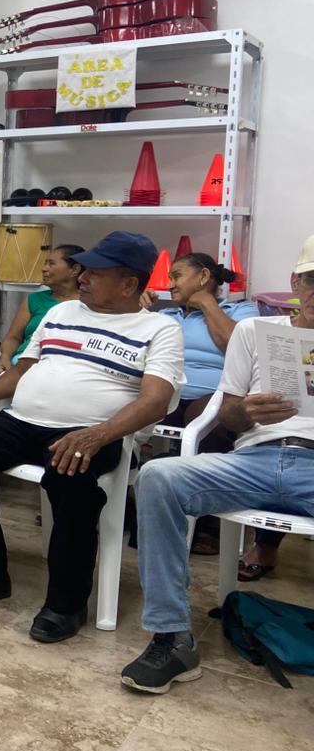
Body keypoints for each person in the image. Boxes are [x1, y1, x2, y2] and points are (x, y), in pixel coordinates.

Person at [0, 231, 184, 643]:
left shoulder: (159, 329)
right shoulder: (61, 313)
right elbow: (24, 368)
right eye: (83, 269)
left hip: (95, 431)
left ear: (129, 283)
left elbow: (156, 400)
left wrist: (98, 434)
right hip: (24, 421)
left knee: (70, 475)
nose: (82, 277)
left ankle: (65, 604)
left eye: (95, 272)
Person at [121, 236, 314, 694]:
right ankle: (171, 636)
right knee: (158, 476)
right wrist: (245, 411)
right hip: (256, 456)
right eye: (313, 281)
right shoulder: (255, 331)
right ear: (295, 283)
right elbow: (225, 414)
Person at [149, 252, 260, 556]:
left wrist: (208, 304)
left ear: (203, 277)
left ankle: (209, 522)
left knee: (211, 420)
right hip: (167, 394)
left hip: (214, 395)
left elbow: (242, 350)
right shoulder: (164, 315)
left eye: (176, 276)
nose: (169, 285)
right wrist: (137, 313)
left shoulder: (242, 310)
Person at [0, 244, 84, 373]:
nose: (44, 269)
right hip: (22, 363)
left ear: (74, 270)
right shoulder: (34, 299)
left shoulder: (89, 303)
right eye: (45, 264)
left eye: (51, 264)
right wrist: (5, 358)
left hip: (64, 368)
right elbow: (13, 337)